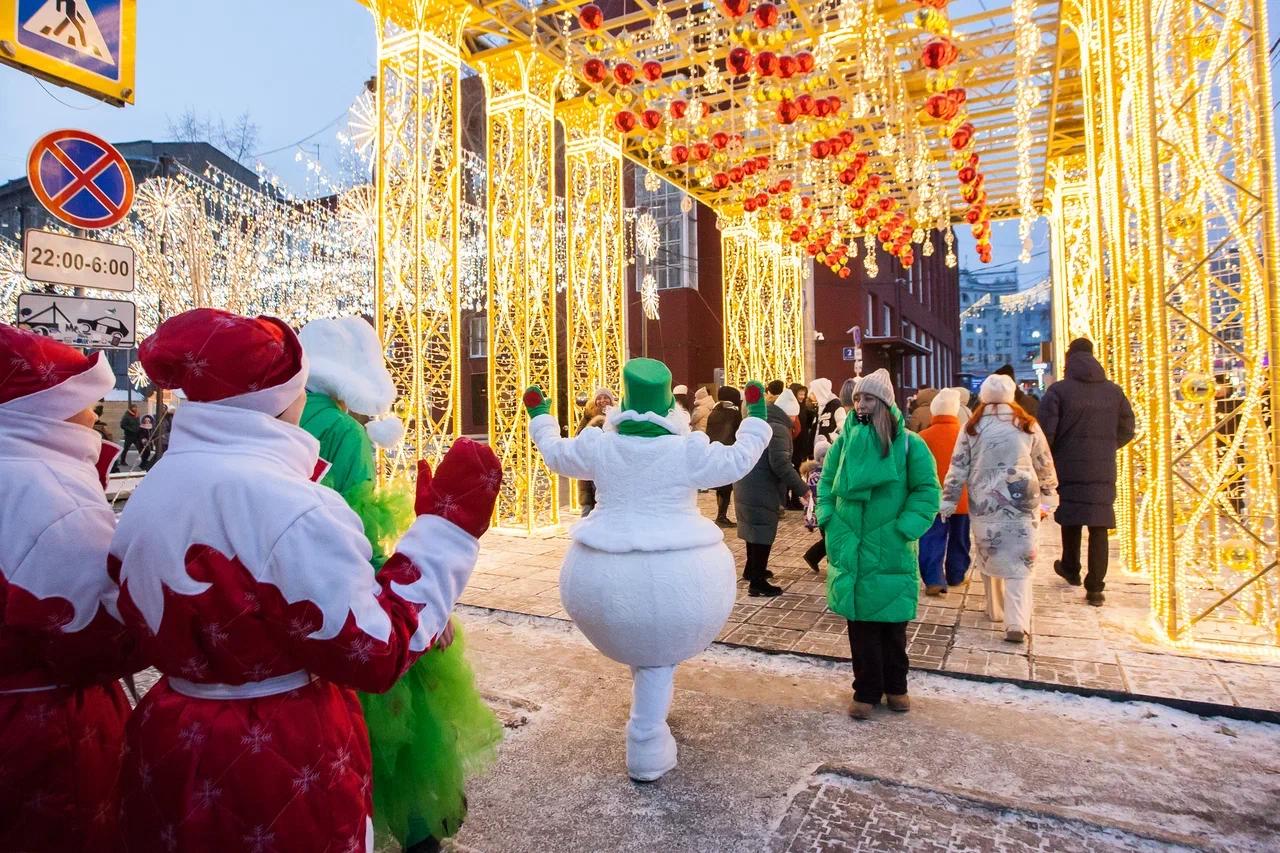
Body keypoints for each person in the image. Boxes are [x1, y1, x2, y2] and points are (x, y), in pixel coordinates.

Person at [110, 308, 502, 852]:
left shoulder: (154, 488)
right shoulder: (294, 504)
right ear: (279, 395)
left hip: (172, 738)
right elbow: (376, 648)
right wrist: (445, 533)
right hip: (282, 755)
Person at [298, 317, 501, 853]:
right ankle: (420, 828)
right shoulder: (343, 431)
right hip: (348, 588)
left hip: (295, 595)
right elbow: (359, 528)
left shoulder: (283, 421)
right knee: (400, 726)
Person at [524, 359, 771, 782]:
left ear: (623, 401)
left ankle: (647, 712)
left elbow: (556, 453)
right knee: (657, 657)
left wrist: (541, 417)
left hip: (603, 575)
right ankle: (646, 740)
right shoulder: (688, 448)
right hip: (678, 578)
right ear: (667, 403)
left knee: (645, 655)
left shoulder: (601, 444)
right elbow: (737, 461)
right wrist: (756, 420)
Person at [0, 324, 143, 851]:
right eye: (84, 404)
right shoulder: (45, 491)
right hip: (44, 735)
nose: (94, 417)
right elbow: (97, 638)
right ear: (44, 408)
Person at [817, 369, 939, 720]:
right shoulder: (844, 441)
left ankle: (896, 686)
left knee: (892, 625)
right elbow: (826, 481)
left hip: (890, 545)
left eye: (868, 398)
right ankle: (867, 690)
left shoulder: (909, 444)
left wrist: (906, 528)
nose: (861, 404)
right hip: (851, 543)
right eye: (857, 398)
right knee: (861, 626)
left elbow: (927, 490)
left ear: (884, 402)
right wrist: (829, 519)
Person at [941, 375, 1058, 643]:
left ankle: (995, 610)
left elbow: (958, 466)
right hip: (1022, 503)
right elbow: (1043, 461)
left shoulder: (972, 426)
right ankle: (1016, 621)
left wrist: (949, 499)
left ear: (983, 395)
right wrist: (1049, 492)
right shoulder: (1027, 424)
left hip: (986, 502)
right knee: (1021, 560)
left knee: (989, 554)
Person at [1038, 338, 1135, 605]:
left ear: (1069, 359)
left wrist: (1053, 456)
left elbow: (1046, 433)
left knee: (1070, 517)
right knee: (1099, 524)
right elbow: (1128, 428)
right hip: (1102, 466)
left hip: (1067, 465)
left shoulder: (1058, 391)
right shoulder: (1114, 392)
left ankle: (1070, 568)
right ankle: (1095, 587)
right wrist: (1107, 446)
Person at [736, 381, 809, 596]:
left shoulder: (760, 420)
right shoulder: (778, 428)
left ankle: (752, 570)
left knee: (754, 529)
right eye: (794, 417)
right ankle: (757, 583)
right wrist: (802, 489)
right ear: (790, 414)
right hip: (761, 487)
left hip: (746, 484)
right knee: (763, 531)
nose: (795, 421)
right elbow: (781, 464)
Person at [917, 389, 972, 595]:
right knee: (960, 538)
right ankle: (956, 574)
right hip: (962, 498)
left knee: (931, 538)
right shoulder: (967, 435)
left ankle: (934, 579)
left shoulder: (923, 437)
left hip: (934, 498)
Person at [705, 385, 743, 527]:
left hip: (714, 451)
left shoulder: (714, 411)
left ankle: (721, 515)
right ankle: (721, 516)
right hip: (728, 451)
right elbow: (738, 432)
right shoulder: (733, 412)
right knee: (727, 487)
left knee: (722, 486)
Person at [576, 388, 617, 517]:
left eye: (606, 397)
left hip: (611, 466)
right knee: (588, 508)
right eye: (599, 398)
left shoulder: (617, 416)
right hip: (591, 467)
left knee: (608, 506)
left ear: (611, 400)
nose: (602, 400)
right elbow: (578, 436)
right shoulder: (588, 415)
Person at [800, 438, 829, 573]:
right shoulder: (818, 474)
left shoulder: (817, 472)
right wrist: (809, 519)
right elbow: (813, 498)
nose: (825, 458)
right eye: (823, 456)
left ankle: (814, 557)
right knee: (830, 539)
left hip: (823, 510)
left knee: (829, 538)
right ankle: (812, 556)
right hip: (823, 511)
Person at [810, 378, 842, 448]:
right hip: (817, 448)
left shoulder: (835, 404)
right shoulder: (820, 405)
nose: (811, 395)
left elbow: (842, 427)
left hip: (830, 448)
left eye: (813, 392)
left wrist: (832, 439)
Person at [791, 382, 816, 467]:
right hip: (794, 442)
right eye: (800, 394)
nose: (802, 396)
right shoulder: (791, 408)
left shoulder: (804, 407)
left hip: (803, 442)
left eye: (804, 394)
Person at [118, 403, 143, 469]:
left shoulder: (137, 415)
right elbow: (122, 425)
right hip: (129, 435)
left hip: (137, 435)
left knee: (140, 448)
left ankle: (143, 461)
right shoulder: (126, 416)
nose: (135, 409)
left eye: (136, 407)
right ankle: (122, 461)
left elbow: (138, 424)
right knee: (126, 449)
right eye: (133, 407)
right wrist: (131, 430)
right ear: (131, 408)